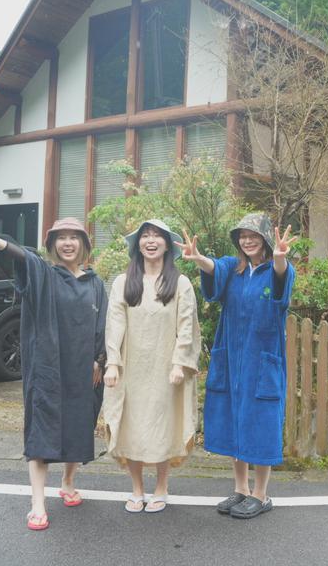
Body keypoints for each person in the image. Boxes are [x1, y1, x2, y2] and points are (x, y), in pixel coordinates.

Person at [0, 218, 106, 531]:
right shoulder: (44, 274)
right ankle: (37, 503)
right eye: (61, 238)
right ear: (52, 245)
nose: (67, 243)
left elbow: (102, 323)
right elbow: (24, 257)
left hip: (81, 367)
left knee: (79, 422)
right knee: (42, 429)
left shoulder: (95, 283)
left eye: (74, 237)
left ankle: (69, 482)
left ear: (84, 245)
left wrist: (99, 360)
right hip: (46, 366)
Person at [176, 213, 297, 519]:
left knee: (261, 422)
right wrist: (198, 258)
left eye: (253, 235)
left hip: (262, 360)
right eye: (242, 235)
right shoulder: (234, 268)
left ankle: (261, 494)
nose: (247, 240)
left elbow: (282, 281)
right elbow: (214, 268)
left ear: (266, 238)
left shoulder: (276, 270)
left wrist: (280, 259)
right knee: (234, 418)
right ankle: (241, 488)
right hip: (231, 357)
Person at [102, 219, 200, 514]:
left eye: (157, 235)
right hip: (131, 368)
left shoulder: (180, 283)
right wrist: (112, 363)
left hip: (166, 370)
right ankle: (136, 489)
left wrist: (180, 363)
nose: (151, 240)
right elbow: (114, 324)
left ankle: (161, 487)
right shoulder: (123, 282)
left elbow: (187, 326)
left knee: (162, 428)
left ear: (167, 245)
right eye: (145, 236)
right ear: (138, 245)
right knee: (131, 427)